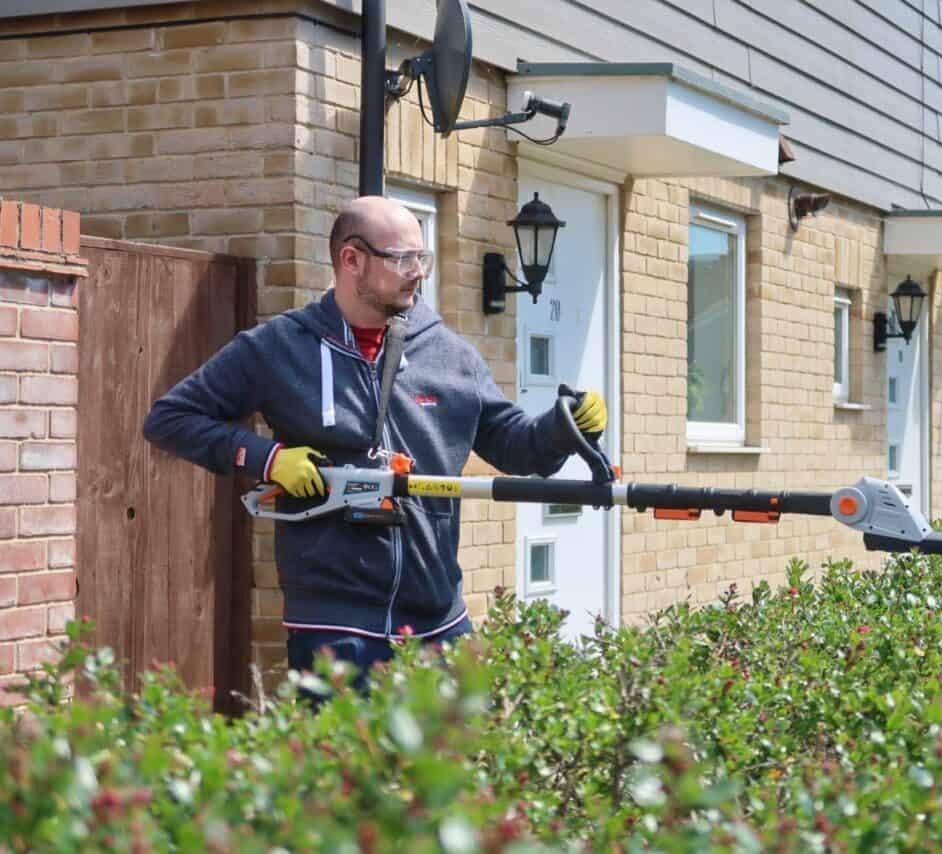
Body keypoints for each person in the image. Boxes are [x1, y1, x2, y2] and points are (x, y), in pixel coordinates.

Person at [143, 195, 606, 698]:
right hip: (335, 625)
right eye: (403, 259)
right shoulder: (277, 348)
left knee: (453, 773)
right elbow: (170, 419)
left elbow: (519, 449)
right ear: (351, 259)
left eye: (422, 259)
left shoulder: (450, 356)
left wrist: (567, 427)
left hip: (439, 623)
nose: (418, 273)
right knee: (347, 776)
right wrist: (266, 458)